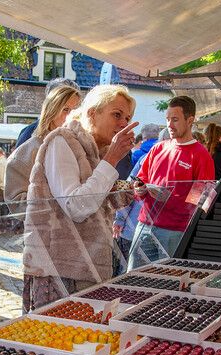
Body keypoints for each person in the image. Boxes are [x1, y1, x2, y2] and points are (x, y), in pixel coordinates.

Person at [22, 84, 137, 311]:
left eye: (128, 117)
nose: (124, 123)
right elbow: (76, 206)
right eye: (117, 115)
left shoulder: (95, 152)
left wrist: (127, 191)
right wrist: (112, 159)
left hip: (87, 267)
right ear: (92, 113)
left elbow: (96, 202)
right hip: (60, 272)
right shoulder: (62, 142)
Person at [128, 96, 215, 269]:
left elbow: (201, 199)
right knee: (133, 279)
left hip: (176, 230)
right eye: (167, 119)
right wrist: (140, 188)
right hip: (145, 224)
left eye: (175, 119)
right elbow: (141, 178)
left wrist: (170, 199)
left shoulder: (200, 155)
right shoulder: (158, 148)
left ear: (190, 120)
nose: (169, 124)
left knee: (169, 281)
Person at [4, 84, 81, 205]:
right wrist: (57, 206)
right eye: (66, 110)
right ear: (52, 110)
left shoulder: (81, 148)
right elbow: (16, 201)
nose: (72, 116)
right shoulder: (30, 149)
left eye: (76, 111)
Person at [114, 123, 161, 270]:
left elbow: (127, 189)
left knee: (127, 271)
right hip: (157, 228)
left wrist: (119, 219)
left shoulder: (139, 157)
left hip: (134, 226)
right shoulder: (146, 158)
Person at [16, 77, 80, 147]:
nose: (71, 115)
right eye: (65, 109)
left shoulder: (79, 136)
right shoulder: (29, 135)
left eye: (75, 109)